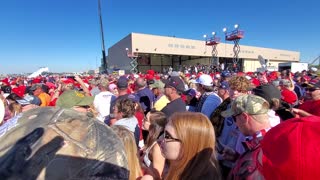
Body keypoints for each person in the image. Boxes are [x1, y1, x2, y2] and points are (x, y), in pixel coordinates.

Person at [221, 94, 271, 179]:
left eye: (234, 118)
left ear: (244, 117)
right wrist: (238, 158)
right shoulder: (268, 139)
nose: (235, 123)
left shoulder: (262, 150)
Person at [159, 112, 221, 180]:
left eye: (167, 136)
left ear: (189, 144)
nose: (160, 139)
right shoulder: (179, 169)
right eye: (163, 133)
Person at [142, 110, 166, 179]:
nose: (142, 120)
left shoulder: (157, 147)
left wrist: (141, 165)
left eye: (145, 119)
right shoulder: (150, 138)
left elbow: (158, 176)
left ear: (153, 126)